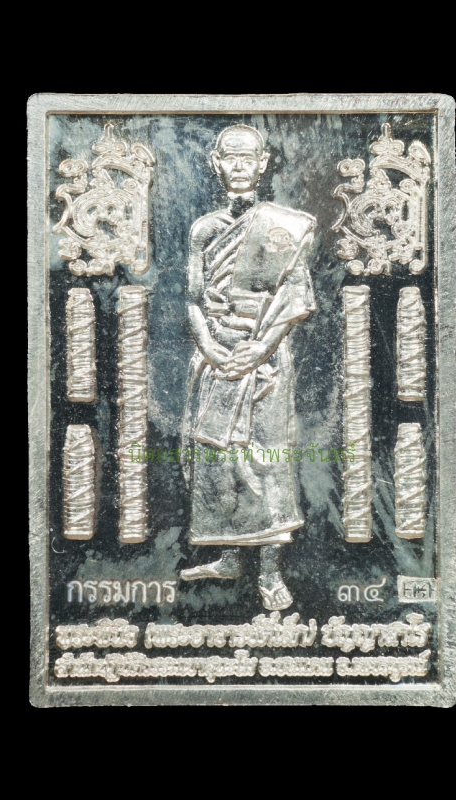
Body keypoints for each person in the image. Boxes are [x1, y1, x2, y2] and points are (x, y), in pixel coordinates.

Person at [180, 124, 317, 611]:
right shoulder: (203, 229)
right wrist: (211, 348)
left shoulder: (283, 228)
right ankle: (228, 557)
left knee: (264, 459)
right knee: (215, 458)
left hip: (265, 361)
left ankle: (270, 572)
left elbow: (297, 299)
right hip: (215, 358)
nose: (238, 166)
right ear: (216, 163)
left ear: (262, 163)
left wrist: (258, 350)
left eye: (248, 158)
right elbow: (193, 300)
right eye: (229, 157)